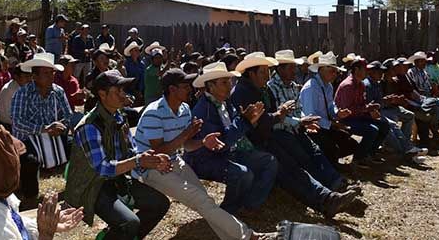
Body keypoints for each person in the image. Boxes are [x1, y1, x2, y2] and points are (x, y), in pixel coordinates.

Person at [136, 67, 278, 240]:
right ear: (172, 89)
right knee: (202, 200)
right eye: (185, 86)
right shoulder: (154, 113)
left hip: (174, 161)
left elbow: (187, 145)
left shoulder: (184, 109)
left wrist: (203, 142)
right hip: (153, 167)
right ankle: (249, 237)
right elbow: (156, 152)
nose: (190, 89)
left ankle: (233, 236)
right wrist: (186, 136)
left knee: (205, 202)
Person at [231, 52, 360, 218]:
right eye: (263, 72)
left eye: (267, 71)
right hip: (254, 143)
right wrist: (280, 115)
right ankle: (326, 199)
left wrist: (283, 117)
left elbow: (267, 120)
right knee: (290, 168)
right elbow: (262, 122)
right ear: (251, 73)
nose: (267, 75)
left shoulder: (259, 89)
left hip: (267, 137)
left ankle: (327, 197)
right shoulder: (245, 92)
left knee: (297, 164)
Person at [65, 70, 171, 240]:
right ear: (102, 94)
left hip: (119, 179)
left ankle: (121, 236)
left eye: (123, 90)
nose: (123, 95)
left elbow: (132, 150)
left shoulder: (119, 117)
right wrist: (137, 161)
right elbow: (103, 169)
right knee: (129, 223)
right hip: (94, 186)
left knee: (160, 204)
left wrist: (152, 160)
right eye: (118, 91)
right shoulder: (89, 126)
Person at [185, 63, 279, 214]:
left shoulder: (225, 102)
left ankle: (249, 205)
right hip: (205, 159)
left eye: (229, 81)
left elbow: (234, 129)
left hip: (228, 152)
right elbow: (221, 144)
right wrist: (245, 121)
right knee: (242, 173)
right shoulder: (204, 111)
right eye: (224, 82)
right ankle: (227, 212)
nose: (229, 85)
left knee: (269, 161)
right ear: (211, 86)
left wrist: (247, 121)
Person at [11, 53, 73, 207]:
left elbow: (69, 116)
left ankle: (74, 189)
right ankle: (30, 198)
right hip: (27, 138)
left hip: (54, 136)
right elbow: (17, 122)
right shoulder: (22, 93)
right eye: (46, 73)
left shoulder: (58, 91)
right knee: (29, 160)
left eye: (52, 72)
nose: (51, 76)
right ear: (35, 76)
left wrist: (61, 126)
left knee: (77, 147)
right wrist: (43, 129)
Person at [299, 52, 359, 164]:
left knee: (351, 144)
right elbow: (310, 116)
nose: (335, 74)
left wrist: (338, 113)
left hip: (326, 125)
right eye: (332, 71)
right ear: (321, 70)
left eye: (336, 72)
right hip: (314, 129)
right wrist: (332, 124)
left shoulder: (328, 86)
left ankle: (332, 164)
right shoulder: (311, 88)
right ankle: (330, 167)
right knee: (332, 147)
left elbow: (331, 107)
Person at [364, 61, 427, 165]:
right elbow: (371, 105)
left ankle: (407, 148)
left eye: (381, 72)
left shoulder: (376, 83)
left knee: (408, 116)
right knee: (391, 124)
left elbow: (379, 101)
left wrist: (392, 100)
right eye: (378, 72)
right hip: (376, 112)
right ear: (371, 72)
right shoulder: (369, 85)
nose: (381, 74)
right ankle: (406, 151)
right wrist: (388, 101)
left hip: (387, 108)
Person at [334, 57, 390, 167]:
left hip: (357, 116)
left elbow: (362, 104)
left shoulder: (361, 84)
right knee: (372, 130)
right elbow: (347, 110)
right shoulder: (348, 85)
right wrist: (366, 109)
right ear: (356, 70)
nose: (367, 71)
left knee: (384, 124)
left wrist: (371, 110)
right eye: (364, 69)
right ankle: (359, 158)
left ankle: (370, 153)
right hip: (345, 119)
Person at [407, 51, 439, 137]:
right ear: (416, 62)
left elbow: (429, 86)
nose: (425, 63)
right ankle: (433, 127)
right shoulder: (411, 72)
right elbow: (413, 89)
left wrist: (434, 89)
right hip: (421, 98)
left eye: (425, 61)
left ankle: (432, 124)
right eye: (422, 61)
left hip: (429, 97)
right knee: (438, 111)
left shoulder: (424, 72)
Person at [0, 65, 32, 129]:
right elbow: (8, 117)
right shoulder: (10, 90)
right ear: (16, 77)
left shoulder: (22, 87)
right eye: (26, 76)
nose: (29, 79)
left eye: (30, 76)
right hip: (9, 126)